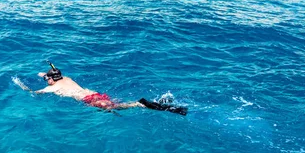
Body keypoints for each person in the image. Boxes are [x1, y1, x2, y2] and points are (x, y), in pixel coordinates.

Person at [20, 61, 187, 115]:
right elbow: (49, 75)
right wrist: (45, 74)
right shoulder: (66, 78)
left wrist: (21, 86)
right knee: (116, 105)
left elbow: (34, 93)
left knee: (119, 108)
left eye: (48, 78)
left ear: (52, 79)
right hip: (94, 94)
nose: (46, 80)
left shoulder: (52, 89)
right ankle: (160, 103)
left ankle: (142, 104)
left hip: (88, 100)